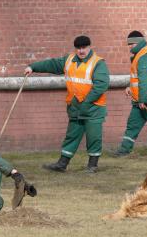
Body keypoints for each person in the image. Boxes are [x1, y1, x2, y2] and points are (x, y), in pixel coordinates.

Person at [24, 35, 110, 173]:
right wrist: (32, 67)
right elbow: (52, 64)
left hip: (93, 108)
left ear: (89, 47)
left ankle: (92, 166)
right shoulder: (69, 60)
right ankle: (62, 164)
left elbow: (101, 85)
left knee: (94, 137)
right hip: (75, 107)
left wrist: (86, 102)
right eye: (78, 48)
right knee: (71, 135)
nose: (81, 51)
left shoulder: (98, 63)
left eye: (84, 48)